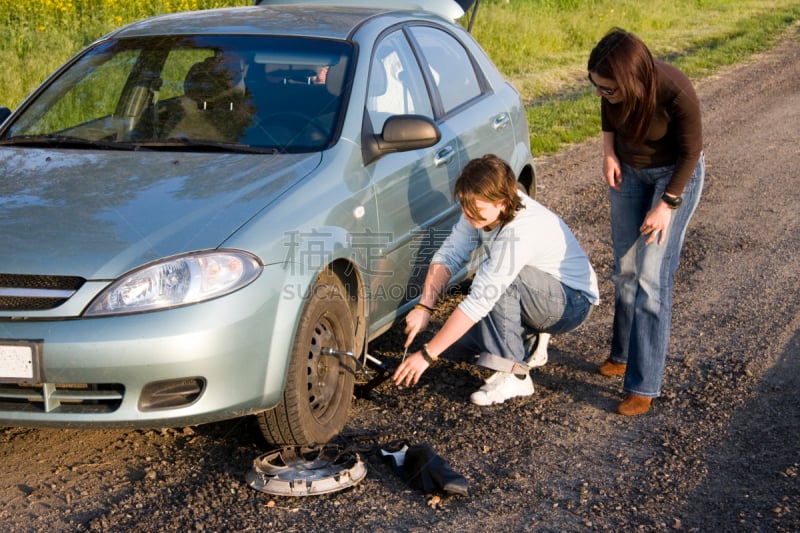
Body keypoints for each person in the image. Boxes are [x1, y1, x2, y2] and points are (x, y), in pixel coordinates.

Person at [392, 154, 600, 406]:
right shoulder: (479, 208)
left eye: (475, 211)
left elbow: (479, 301)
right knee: (462, 347)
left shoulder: (521, 231)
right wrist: (424, 306)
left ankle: (517, 375)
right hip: (540, 291)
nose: (468, 217)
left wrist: (426, 356)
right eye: (464, 209)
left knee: (492, 284)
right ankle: (529, 341)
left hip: (571, 303)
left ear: (502, 203)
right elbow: (450, 254)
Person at [587, 28, 704, 416]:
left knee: (651, 279)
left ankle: (644, 384)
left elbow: (691, 152)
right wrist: (608, 153)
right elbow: (608, 113)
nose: (602, 95)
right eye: (597, 87)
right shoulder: (611, 91)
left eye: (609, 88)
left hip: (672, 178)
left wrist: (667, 205)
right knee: (624, 270)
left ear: (633, 79)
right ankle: (621, 354)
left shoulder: (675, 89)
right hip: (628, 174)